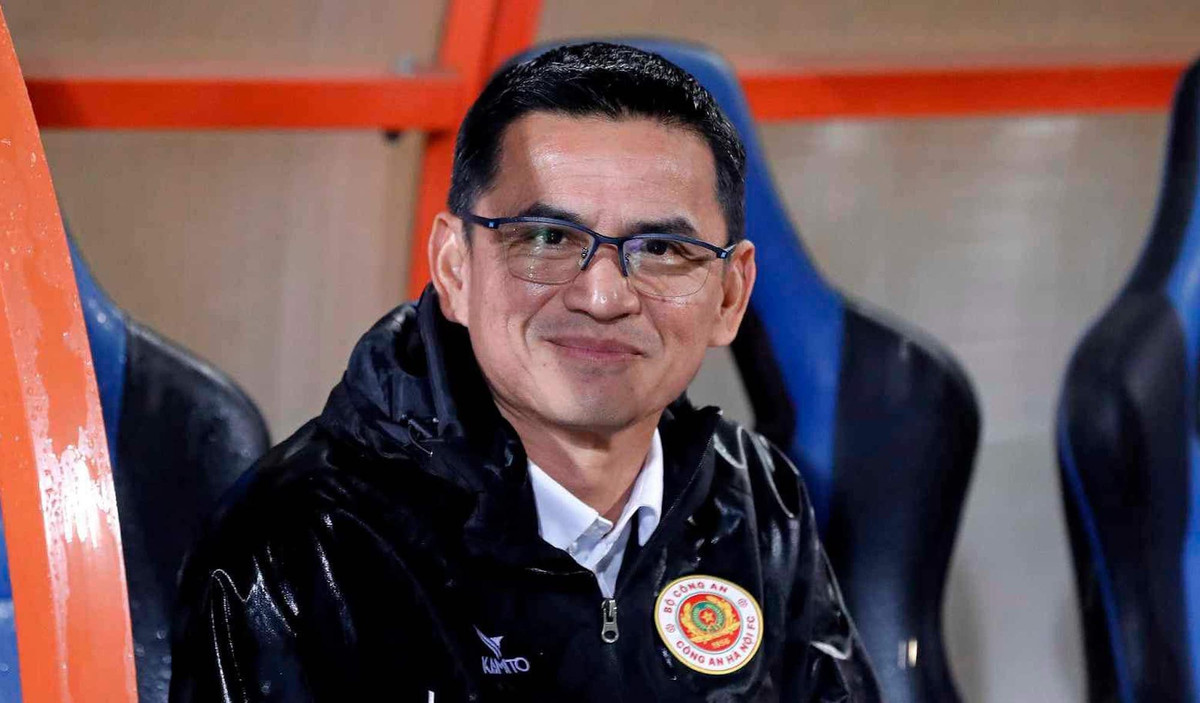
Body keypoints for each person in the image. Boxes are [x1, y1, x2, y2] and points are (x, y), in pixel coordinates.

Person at [170, 42, 881, 702]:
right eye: (547, 237)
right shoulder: (298, 549)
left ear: (730, 296)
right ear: (455, 269)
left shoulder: (757, 499)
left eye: (663, 249)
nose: (603, 297)